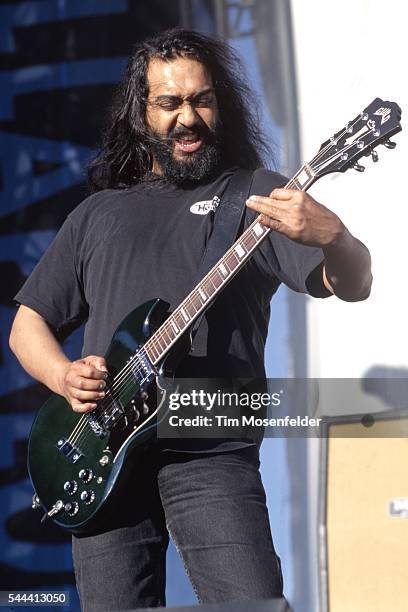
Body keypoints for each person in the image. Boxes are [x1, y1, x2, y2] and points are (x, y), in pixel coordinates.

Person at [9, 28, 372, 611]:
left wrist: (335, 238)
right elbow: (28, 323)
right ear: (141, 113)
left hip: (210, 449)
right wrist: (62, 377)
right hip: (99, 454)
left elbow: (352, 284)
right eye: (169, 102)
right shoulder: (98, 213)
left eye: (201, 99)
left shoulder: (257, 196)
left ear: (220, 104)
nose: (187, 117)